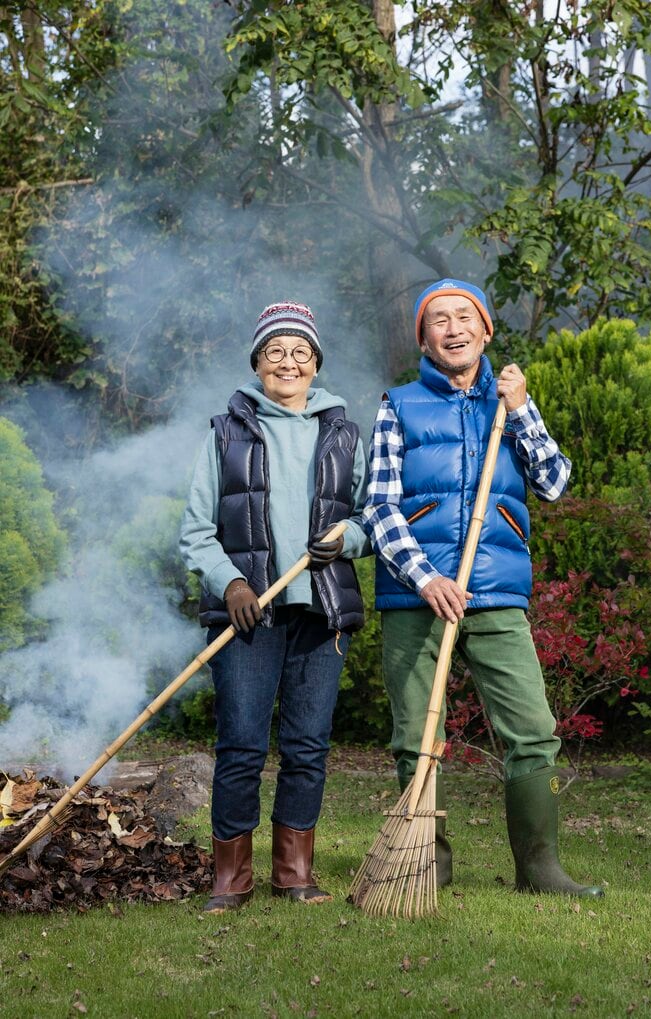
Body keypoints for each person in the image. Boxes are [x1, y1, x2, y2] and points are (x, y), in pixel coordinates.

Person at [362, 278, 603, 898]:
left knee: (532, 731)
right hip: (416, 598)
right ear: (423, 337)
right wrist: (426, 578)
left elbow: (552, 483)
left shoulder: (510, 402)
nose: (453, 328)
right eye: (437, 320)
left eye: (464, 317)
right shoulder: (399, 405)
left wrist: (521, 409)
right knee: (416, 737)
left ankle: (540, 867)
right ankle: (427, 864)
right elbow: (381, 510)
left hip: (495, 594)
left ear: (486, 330)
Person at [180, 300, 369, 912]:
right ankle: (230, 880)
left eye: (300, 353)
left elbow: (372, 517)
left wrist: (350, 538)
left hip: (320, 613)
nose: (288, 362)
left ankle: (294, 875)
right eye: (275, 352)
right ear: (257, 363)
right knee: (240, 744)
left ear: (316, 364)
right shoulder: (225, 433)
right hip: (250, 615)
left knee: (308, 745)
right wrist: (230, 582)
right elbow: (195, 531)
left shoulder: (343, 433)